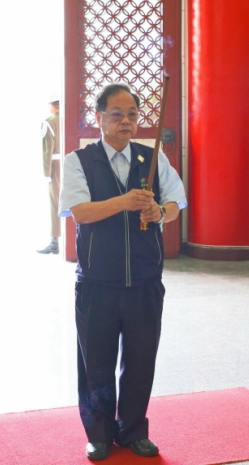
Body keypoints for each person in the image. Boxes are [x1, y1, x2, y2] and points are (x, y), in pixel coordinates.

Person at [59, 82, 187, 461]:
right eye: (117, 114)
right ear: (99, 119)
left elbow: (176, 202)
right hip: (97, 282)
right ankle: (98, 433)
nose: (126, 121)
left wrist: (159, 212)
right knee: (96, 362)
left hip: (145, 279)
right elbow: (79, 212)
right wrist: (126, 202)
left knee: (141, 358)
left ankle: (132, 429)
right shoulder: (78, 161)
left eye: (132, 114)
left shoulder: (153, 158)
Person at [37, 98, 61, 254]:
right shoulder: (67, 119)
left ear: (53, 105)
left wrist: (46, 173)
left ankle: (55, 241)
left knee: (55, 204)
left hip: (55, 167)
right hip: (71, 164)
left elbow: (47, 150)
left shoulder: (49, 122)